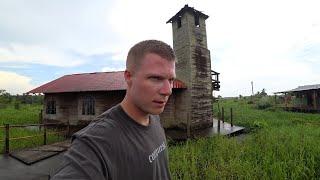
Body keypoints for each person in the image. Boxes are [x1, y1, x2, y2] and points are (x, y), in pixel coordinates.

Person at [51, 40, 176, 180]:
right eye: (156, 78)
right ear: (129, 77)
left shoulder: (154, 117)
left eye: (171, 80)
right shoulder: (95, 142)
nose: (168, 90)